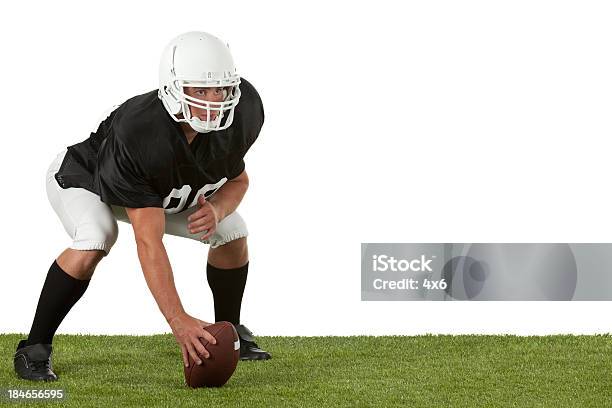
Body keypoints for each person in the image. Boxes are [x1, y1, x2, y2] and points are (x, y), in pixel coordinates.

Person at [14, 31, 271, 382]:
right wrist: (178, 319)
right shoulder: (140, 132)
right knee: (98, 235)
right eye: (200, 90)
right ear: (173, 90)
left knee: (232, 232)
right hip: (88, 179)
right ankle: (34, 347)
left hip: (159, 191)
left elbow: (238, 180)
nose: (215, 100)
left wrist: (216, 210)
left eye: (221, 89)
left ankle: (230, 332)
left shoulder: (243, 111)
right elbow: (149, 240)